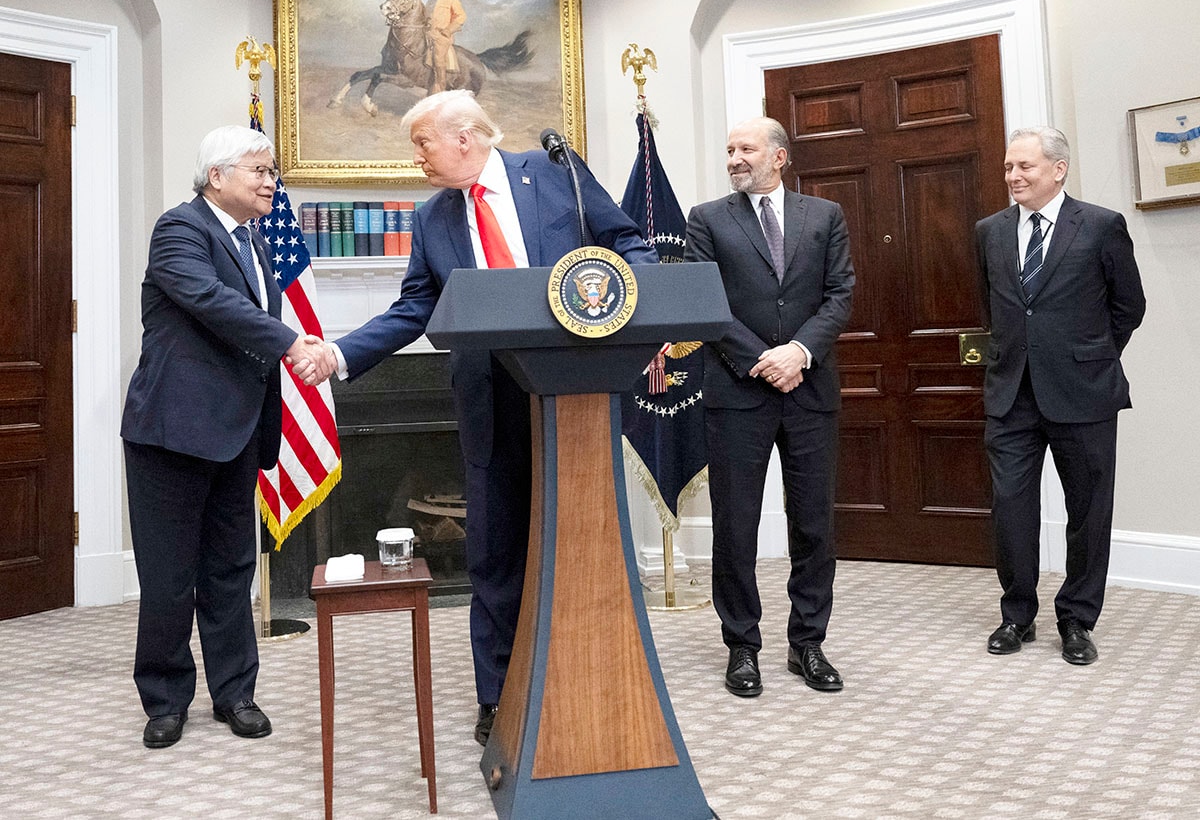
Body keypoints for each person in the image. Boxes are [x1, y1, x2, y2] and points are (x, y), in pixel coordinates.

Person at [298, 90, 657, 745]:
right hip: (490, 399)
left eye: (422, 143)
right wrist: (340, 353)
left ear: (464, 138)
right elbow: (414, 308)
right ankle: (498, 697)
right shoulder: (434, 217)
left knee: (583, 546)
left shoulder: (554, 174)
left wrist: (641, 312)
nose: (418, 159)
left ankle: (589, 676)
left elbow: (626, 243)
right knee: (494, 554)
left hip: (572, 394)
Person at [121, 126, 335, 748]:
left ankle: (235, 693)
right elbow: (210, 301)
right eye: (260, 171)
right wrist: (292, 341)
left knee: (230, 569)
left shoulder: (256, 242)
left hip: (238, 431)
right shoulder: (180, 230)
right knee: (169, 577)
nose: (273, 181)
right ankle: (164, 700)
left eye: (273, 171)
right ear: (217, 176)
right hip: (174, 431)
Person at [683, 117, 854, 697]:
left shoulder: (824, 216)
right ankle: (742, 647)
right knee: (736, 525)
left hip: (810, 390)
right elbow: (704, 303)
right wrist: (764, 360)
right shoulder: (706, 219)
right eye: (728, 149)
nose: (734, 158)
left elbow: (840, 295)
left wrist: (800, 352)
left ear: (779, 157)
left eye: (746, 149)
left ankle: (808, 642)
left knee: (814, 523)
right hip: (739, 391)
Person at [976, 126, 1145, 665]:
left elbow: (1129, 306)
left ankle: (1076, 618)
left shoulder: (1100, 226)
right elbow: (995, 309)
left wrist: (1090, 355)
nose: (1013, 176)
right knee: (1011, 509)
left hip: (1085, 393)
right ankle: (1016, 614)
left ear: (1058, 169)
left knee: (1088, 510)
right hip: (1011, 395)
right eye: (1008, 168)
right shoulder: (989, 231)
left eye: (1024, 166)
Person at [425, 0, 466, 94]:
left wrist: (448, 30)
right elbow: (425, 17)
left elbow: (461, 16)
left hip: (441, 36)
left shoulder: (452, 1)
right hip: (427, 33)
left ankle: (439, 88)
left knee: (438, 59)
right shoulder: (430, 2)